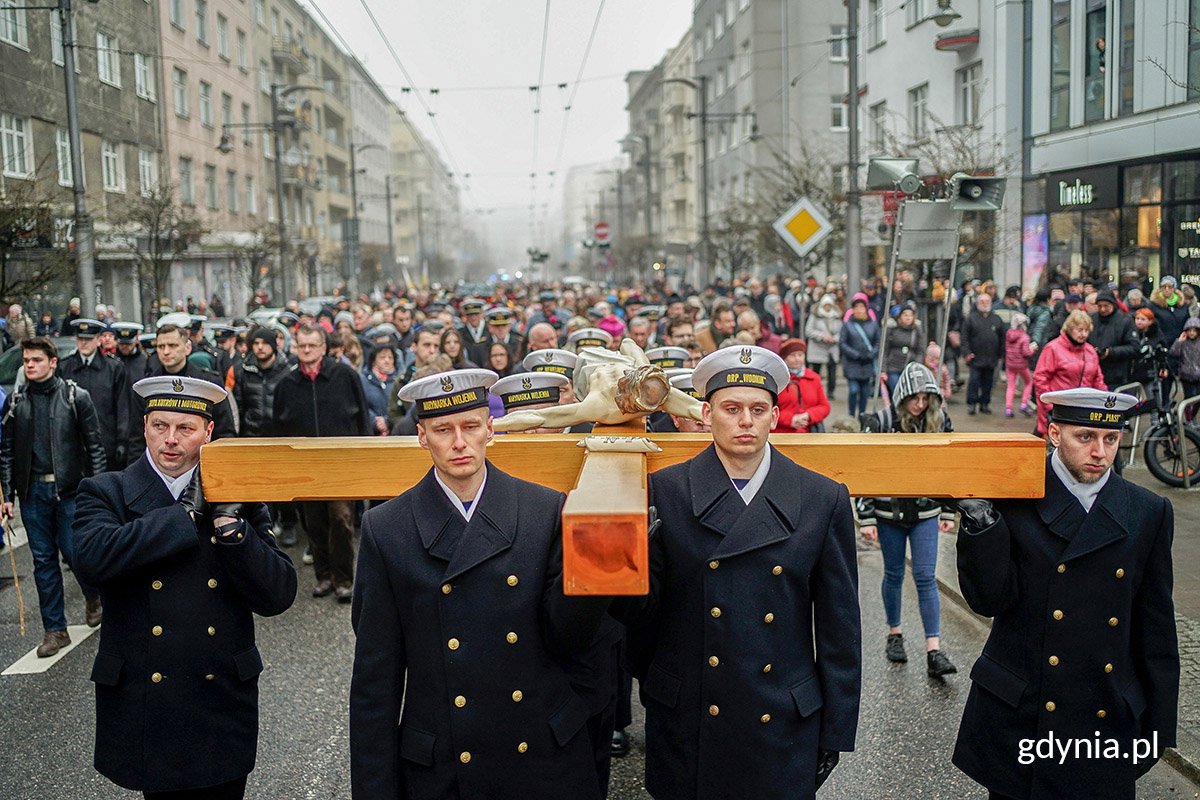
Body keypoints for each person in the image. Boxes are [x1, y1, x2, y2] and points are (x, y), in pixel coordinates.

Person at [614, 344, 860, 800]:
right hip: (691, 716)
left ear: (773, 415)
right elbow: (644, 621)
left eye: (757, 409)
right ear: (707, 414)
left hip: (782, 718)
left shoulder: (821, 498)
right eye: (732, 408)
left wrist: (835, 732)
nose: (745, 421)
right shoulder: (665, 492)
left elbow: (839, 629)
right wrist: (660, 686)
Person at [349, 368, 608, 800]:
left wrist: (598, 572)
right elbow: (376, 682)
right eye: (442, 429)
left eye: (470, 426)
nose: (458, 443)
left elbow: (572, 643)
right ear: (420, 436)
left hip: (540, 752)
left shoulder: (543, 509)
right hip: (447, 763)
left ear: (491, 428)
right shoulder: (387, 529)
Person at [73, 376, 297, 800]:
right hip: (147, 703)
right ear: (144, 427)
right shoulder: (108, 491)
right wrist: (186, 514)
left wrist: (234, 533)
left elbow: (278, 595)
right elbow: (92, 560)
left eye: (185, 428)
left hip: (218, 701)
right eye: (160, 426)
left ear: (208, 432)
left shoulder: (238, 494)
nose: (170, 440)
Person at [952, 388, 1178, 800]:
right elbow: (989, 601)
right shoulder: (1015, 497)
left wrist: (1160, 727)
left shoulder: (1148, 510)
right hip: (1025, 717)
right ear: (1054, 434)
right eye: (1085, 437)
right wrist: (981, 525)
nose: (1100, 452)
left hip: (1104, 716)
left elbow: (1156, 628)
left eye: (1111, 440)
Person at [0, 337, 107, 654]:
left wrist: (100, 491)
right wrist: (7, 495)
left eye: (36, 359)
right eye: (26, 360)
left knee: (77, 555)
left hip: (71, 492)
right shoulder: (17, 402)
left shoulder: (76, 397)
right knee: (43, 563)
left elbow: (95, 447)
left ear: (52, 362)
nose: (29, 365)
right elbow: (5, 451)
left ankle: (93, 596)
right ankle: (55, 630)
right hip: (33, 494)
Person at [857, 363, 958, 677]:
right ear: (902, 396)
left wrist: (947, 511)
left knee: (926, 577)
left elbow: (950, 467)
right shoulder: (882, 421)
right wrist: (866, 516)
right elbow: (864, 468)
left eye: (925, 397)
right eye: (914, 397)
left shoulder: (940, 421)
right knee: (894, 573)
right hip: (888, 514)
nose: (920, 403)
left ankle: (934, 650)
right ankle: (895, 633)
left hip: (925, 512)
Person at [272, 325, 372, 602]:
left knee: (341, 520)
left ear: (324, 347)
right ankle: (323, 575)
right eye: (301, 346)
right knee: (314, 524)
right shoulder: (286, 384)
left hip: (341, 463)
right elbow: (278, 427)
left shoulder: (345, 376)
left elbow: (362, 417)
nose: (306, 351)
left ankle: (343, 579)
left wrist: (365, 456)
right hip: (305, 466)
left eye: (312, 346)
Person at [58, 319, 132, 472]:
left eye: (88, 339)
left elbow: (122, 407)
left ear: (98, 340)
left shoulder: (113, 368)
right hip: (73, 444)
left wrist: (122, 442)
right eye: (80, 339)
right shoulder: (65, 367)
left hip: (106, 442)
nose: (83, 343)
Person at [1033, 311, 1106, 436]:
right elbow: (1041, 378)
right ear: (1070, 328)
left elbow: (1097, 379)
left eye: (1086, 330)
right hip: (1057, 409)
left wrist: (1104, 401)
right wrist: (1049, 405)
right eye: (1080, 330)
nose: (1083, 334)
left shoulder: (1090, 351)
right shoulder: (1053, 348)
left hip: (1083, 411)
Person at [773, 338, 830, 433]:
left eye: (800, 355)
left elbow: (824, 406)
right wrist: (790, 419)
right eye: (792, 355)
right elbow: (768, 410)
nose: (797, 359)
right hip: (782, 434)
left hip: (809, 434)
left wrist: (808, 415)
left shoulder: (814, 378)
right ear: (785, 358)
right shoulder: (777, 379)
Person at [963, 294, 1006, 415]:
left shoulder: (997, 319)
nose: (985, 303)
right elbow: (964, 338)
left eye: (987, 301)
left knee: (989, 382)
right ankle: (971, 404)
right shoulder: (971, 319)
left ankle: (985, 403)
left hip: (992, 358)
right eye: (982, 301)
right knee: (974, 381)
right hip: (975, 358)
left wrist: (1001, 354)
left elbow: (1002, 338)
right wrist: (967, 353)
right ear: (977, 303)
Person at [839, 296, 880, 417]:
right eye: (856, 307)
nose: (859, 310)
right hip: (852, 363)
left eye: (862, 307)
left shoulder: (873, 325)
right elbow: (842, 343)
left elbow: (878, 342)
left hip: (867, 364)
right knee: (853, 390)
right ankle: (851, 413)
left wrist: (871, 354)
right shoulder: (847, 325)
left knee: (864, 392)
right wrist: (856, 354)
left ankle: (862, 414)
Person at [1089, 290, 1137, 389]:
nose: (1102, 309)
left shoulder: (1125, 320)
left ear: (1113, 305)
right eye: (1099, 306)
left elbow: (1134, 347)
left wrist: (1110, 352)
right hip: (1093, 372)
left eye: (1106, 306)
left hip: (1117, 374)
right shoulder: (1092, 319)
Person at [804, 294, 842, 401]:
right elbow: (809, 330)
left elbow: (841, 331)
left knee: (832, 371)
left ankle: (830, 392)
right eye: (826, 305)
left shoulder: (836, 316)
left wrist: (835, 338)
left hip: (831, 348)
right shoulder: (815, 316)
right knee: (816, 371)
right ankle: (815, 391)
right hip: (818, 347)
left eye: (829, 305)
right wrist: (821, 336)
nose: (828, 307)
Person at [882, 303, 924, 393]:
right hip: (893, 366)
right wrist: (883, 369)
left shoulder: (916, 331)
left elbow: (920, 350)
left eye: (910, 315)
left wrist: (917, 364)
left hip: (910, 367)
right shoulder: (892, 329)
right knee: (896, 392)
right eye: (905, 315)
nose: (908, 318)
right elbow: (884, 350)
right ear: (900, 316)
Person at [361, 344, 397, 435]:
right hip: (370, 431)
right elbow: (361, 405)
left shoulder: (399, 381)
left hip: (393, 431)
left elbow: (399, 407)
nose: (387, 361)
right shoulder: (363, 380)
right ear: (373, 361)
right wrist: (375, 422)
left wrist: (387, 421)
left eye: (390, 357)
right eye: (382, 357)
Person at [1004, 313, 1036, 418]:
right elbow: (1026, 353)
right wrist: (1033, 350)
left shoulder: (1009, 334)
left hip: (1010, 364)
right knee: (1028, 382)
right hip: (1022, 365)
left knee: (1011, 385)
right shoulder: (1024, 337)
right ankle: (1024, 404)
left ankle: (1008, 408)